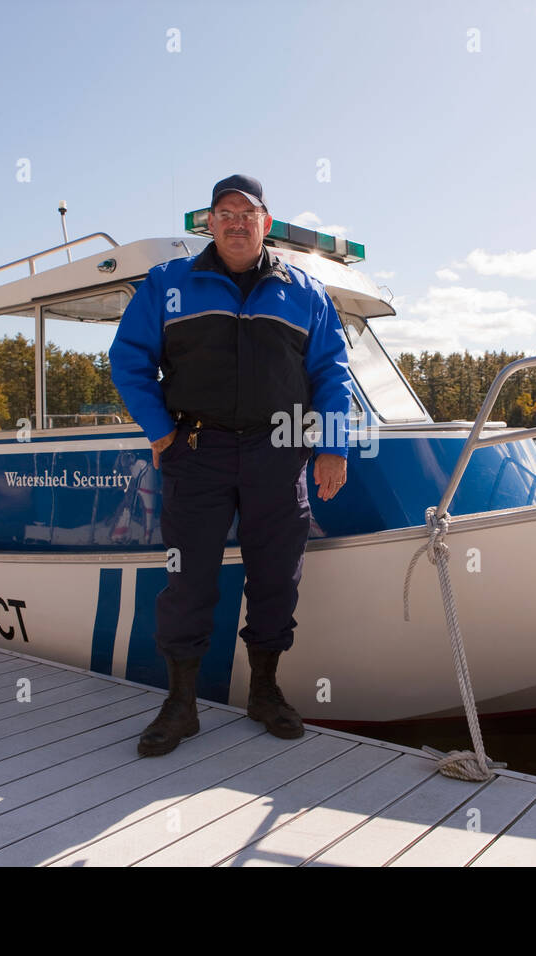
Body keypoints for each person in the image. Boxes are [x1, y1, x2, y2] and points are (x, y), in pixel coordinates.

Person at [109, 174, 352, 756]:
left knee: (276, 577)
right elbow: (128, 359)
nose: (236, 222)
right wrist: (162, 431)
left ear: (265, 223)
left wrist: (334, 447)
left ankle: (264, 693)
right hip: (197, 454)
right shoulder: (170, 283)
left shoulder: (306, 292)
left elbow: (331, 375)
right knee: (187, 580)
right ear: (208, 224)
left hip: (280, 454)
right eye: (225, 213)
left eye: (248, 213)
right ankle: (181, 705)